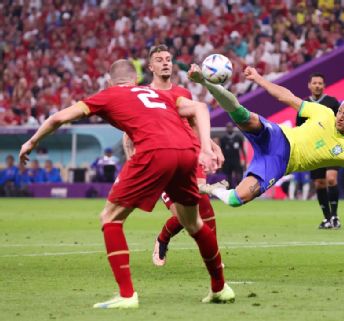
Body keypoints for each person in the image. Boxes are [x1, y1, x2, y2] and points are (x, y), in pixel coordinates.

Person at [19, 59, 234, 309]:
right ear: (135, 80)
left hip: (154, 151)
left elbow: (58, 118)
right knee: (194, 222)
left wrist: (32, 142)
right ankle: (220, 288)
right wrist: (205, 149)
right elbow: (200, 109)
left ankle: (126, 294)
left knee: (110, 218)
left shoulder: (107, 94)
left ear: (110, 82)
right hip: (187, 153)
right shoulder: (155, 93)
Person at [189, 64, 344, 237]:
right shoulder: (324, 112)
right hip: (278, 137)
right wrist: (259, 79)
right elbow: (287, 97)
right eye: (341, 112)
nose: (341, 117)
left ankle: (210, 188)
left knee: (235, 200)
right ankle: (205, 81)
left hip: (279, 164)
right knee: (243, 115)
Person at [122, 45, 224, 269]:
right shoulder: (143, 94)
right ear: (151, 67)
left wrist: (211, 146)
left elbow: (195, 123)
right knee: (187, 216)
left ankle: (215, 259)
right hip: (162, 160)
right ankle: (163, 238)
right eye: (159, 60)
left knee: (202, 204)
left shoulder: (183, 94)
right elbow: (128, 134)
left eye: (168, 59)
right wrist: (133, 159)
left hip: (189, 156)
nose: (166, 63)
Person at [296, 73, 342, 229]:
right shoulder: (304, 105)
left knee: (331, 178)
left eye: (320, 83)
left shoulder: (332, 102)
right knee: (319, 183)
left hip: (331, 147)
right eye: (314, 83)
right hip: (314, 149)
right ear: (309, 85)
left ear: (324, 86)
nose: (317, 85)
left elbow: (341, 124)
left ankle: (335, 216)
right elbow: (299, 128)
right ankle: (327, 218)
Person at [220, 122, 246, 188]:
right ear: (226, 129)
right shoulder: (223, 139)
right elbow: (221, 151)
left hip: (236, 160)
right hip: (227, 161)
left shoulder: (238, 138)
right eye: (228, 127)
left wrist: (245, 161)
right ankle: (230, 190)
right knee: (228, 177)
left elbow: (242, 150)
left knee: (239, 176)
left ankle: (240, 189)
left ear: (233, 128)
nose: (229, 129)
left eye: (230, 127)